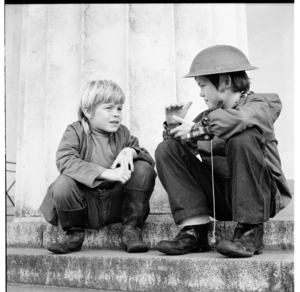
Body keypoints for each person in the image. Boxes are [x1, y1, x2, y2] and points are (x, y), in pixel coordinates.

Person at [154, 45, 292, 258]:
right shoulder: (208, 115)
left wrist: (201, 130)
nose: (200, 93)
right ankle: (195, 231)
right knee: (167, 148)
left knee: (243, 135)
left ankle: (250, 232)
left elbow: (242, 119)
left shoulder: (259, 104)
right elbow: (180, 153)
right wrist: (173, 128)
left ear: (225, 82)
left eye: (203, 86)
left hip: (259, 196)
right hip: (221, 199)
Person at [39, 79, 157, 254]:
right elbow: (65, 160)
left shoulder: (122, 132)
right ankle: (74, 235)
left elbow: (146, 156)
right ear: (88, 111)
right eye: (108, 108)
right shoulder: (75, 131)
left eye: (119, 108)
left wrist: (131, 151)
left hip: (117, 204)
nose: (116, 114)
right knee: (63, 183)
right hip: (87, 207)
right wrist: (107, 173)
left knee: (143, 168)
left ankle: (132, 230)